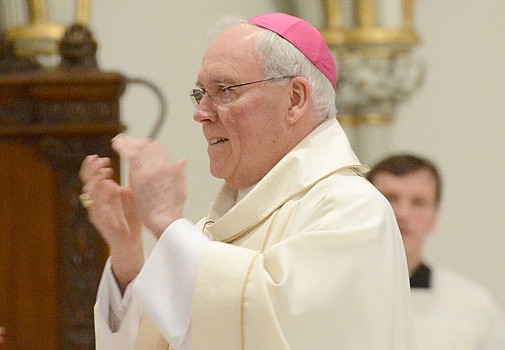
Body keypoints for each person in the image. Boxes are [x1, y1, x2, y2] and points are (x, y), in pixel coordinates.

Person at [80, 12, 414, 349]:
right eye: (201, 94)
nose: (201, 113)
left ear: (295, 99)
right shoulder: (214, 230)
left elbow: (276, 327)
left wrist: (166, 223)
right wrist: (127, 255)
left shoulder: (350, 210)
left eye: (224, 90)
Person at [368, 153, 505, 350]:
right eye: (390, 198)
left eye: (418, 202)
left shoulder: (477, 310)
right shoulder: (330, 298)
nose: (402, 214)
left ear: (434, 217)